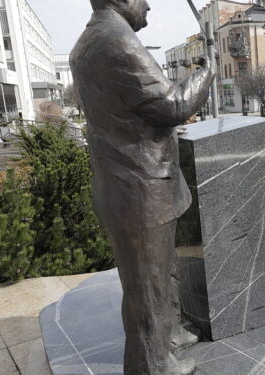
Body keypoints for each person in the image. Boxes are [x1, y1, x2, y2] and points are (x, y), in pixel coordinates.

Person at [70, 0, 215, 372]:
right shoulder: (115, 38)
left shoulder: (89, 40)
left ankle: (168, 335)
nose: (148, 5)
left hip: (133, 182)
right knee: (147, 285)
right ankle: (152, 364)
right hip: (138, 184)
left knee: (161, 271)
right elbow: (171, 105)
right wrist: (207, 71)